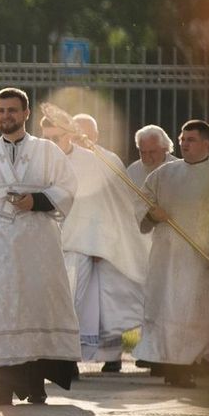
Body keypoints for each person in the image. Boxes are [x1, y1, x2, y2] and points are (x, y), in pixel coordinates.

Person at [0, 87, 80, 406]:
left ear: (25, 113)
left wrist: (36, 200)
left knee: (36, 307)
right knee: (2, 311)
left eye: (12, 110)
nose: (6, 116)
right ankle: (1, 387)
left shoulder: (47, 151)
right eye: (1, 111)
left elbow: (67, 187)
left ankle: (35, 383)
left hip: (39, 243)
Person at [131, 120, 209, 387]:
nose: (184, 144)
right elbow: (142, 199)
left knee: (193, 313)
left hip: (200, 259)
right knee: (165, 310)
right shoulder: (164, 173)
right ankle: (171, 366)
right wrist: (151, 213)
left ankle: (186, 366)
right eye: (182, 139)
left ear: (207, 144)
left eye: (191, 140)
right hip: (166, 256)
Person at [45, 113, 148, 373]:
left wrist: (104, 242)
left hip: (102, 245)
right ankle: (66, 357)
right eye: (78, 134)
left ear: (97, 135)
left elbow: (116, 205)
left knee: (105, 305)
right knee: (70, 302)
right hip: (64, 241)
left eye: (87, 135)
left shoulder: (106, 160)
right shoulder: (53, 159)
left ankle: (110, 355)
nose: (83, 139)